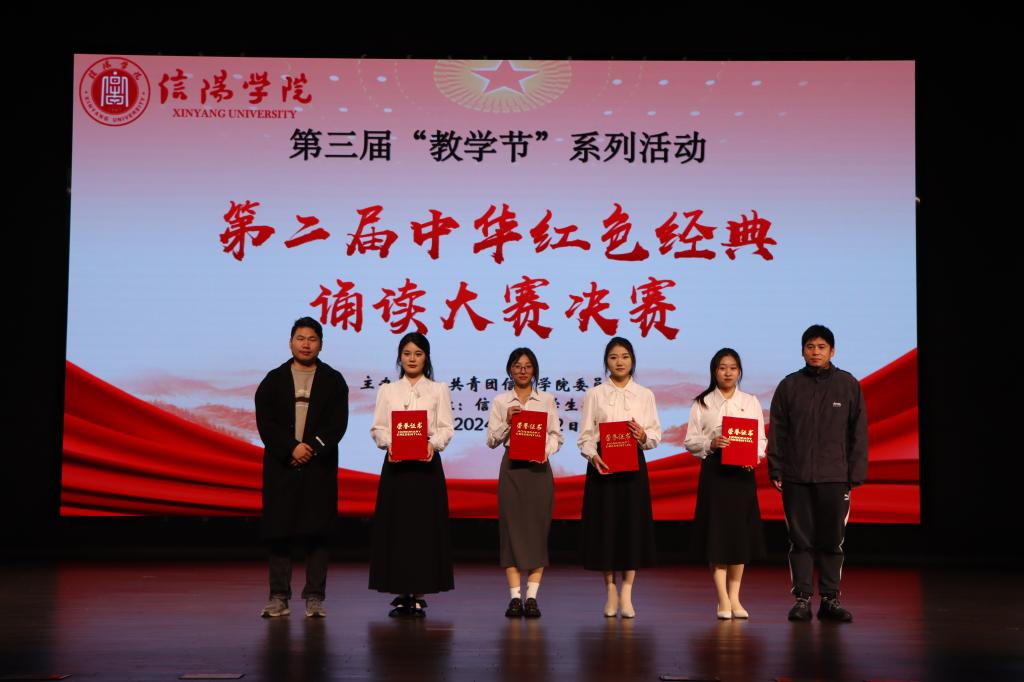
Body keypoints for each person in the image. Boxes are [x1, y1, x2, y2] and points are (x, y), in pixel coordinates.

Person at [767, 324, 868, 623]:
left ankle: (830, 599)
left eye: (821, 347)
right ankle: (802, 599)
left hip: (835, 476)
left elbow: (858, 432)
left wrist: (854, 472)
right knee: (800, 541)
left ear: (832, 351)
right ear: (802, 351)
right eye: (810, 347)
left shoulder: (848, 385)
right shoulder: (789, 386)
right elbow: (778, 431)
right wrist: (776, 467)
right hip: (796, 476)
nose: (815, 352)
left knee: (832, 541)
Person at [255, 316, 349, 618]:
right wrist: (290, 448)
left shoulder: (333, 380)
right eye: (300, 338)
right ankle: (278, 597)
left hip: (318, 466)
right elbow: (265, 423)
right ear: (290, 342)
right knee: (279, 532)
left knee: (318, 533)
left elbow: (337, 424)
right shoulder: (273, 379)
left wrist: (310, 448)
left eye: (312, 339)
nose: (306, 344)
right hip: (281, 465)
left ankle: (315, 598)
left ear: (321, 344)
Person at [368, 332, 455, 617]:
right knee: (398, 529)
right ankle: (401, 590)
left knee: (423, 530)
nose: (412, 359)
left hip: (426, 467)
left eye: (418, 353)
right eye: (407, 353)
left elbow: (446, 428)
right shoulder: (388, 390)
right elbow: (378, 428)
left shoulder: (438, 389)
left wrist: (433, 443)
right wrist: (389, 443)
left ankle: (419, 593)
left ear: (426, 357)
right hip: (396, 467)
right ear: (399, 357)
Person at [578, 337, 660, 618]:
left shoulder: (645, 394)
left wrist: (644, 435)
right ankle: (610, 590)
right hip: (603, 466)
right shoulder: (595, 394)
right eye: (613, 357)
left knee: (631, 528)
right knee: (606, 528)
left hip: (633, 466)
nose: (619, 362)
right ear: (606, 362)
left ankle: (627, 592)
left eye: (625, 356)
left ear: (632, 360)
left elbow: (655, 436)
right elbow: (585, 436)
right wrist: (593, 456)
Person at [684, 348, 767, 620]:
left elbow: (760, 439)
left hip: (742, 474)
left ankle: (735, 597)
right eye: (722, 368)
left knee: (739, 536)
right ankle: (722, 599)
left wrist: (754, 457)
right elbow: (690, 440)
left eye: (732, 368)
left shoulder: (750, 401)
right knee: (717, 536)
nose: (728, 372)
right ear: (714, 371)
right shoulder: (703, 402)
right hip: (715, 472)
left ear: (739, 371)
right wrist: (710, 443)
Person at [486, 347, 564, 618]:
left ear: (534, 370)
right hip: (512, 469)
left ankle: (531, 597)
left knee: (537, 531)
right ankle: (514, 598)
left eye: (528, 366)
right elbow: (491, 440)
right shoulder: (500, 401)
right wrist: (507, 422)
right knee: (510, 531)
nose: (522, 370)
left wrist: (545, 451)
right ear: (510, 369)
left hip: (538, 470)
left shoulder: (547, 400)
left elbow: (556, 435)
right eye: (518, 366)